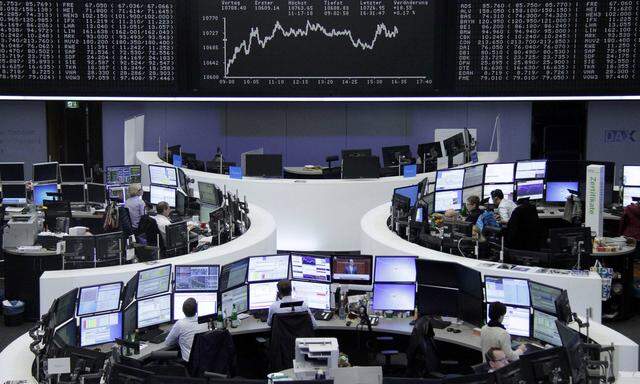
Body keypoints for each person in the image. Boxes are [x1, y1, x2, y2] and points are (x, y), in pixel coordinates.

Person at [165, 297, 199, 362]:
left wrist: (180, 340)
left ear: (183, 310)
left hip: (189, 363)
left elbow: (168, 343)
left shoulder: (180, 324)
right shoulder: (204, 321)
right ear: (197, 310)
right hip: (204, 360)